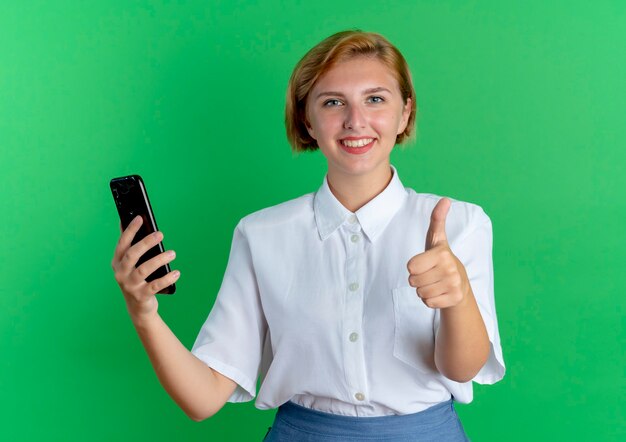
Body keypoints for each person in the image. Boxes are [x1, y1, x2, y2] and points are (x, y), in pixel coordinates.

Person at [112, 30, 505, 441]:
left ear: (405, 113)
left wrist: (455, 296)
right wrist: (143, 313)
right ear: (307, 120)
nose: (355, 120)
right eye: (333, 102)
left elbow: (463, 370)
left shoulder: (460, 223)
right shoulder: (260, 234)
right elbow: (203, 398)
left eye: (375, 99)